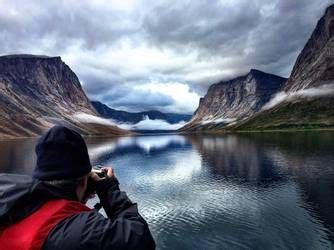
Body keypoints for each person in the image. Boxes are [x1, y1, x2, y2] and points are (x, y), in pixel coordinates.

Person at [0, 126, 155, 250]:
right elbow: (141, 239)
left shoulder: (8, 195)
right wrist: (108, 189)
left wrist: (78, 196)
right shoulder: (81, 231)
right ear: (82, 181)